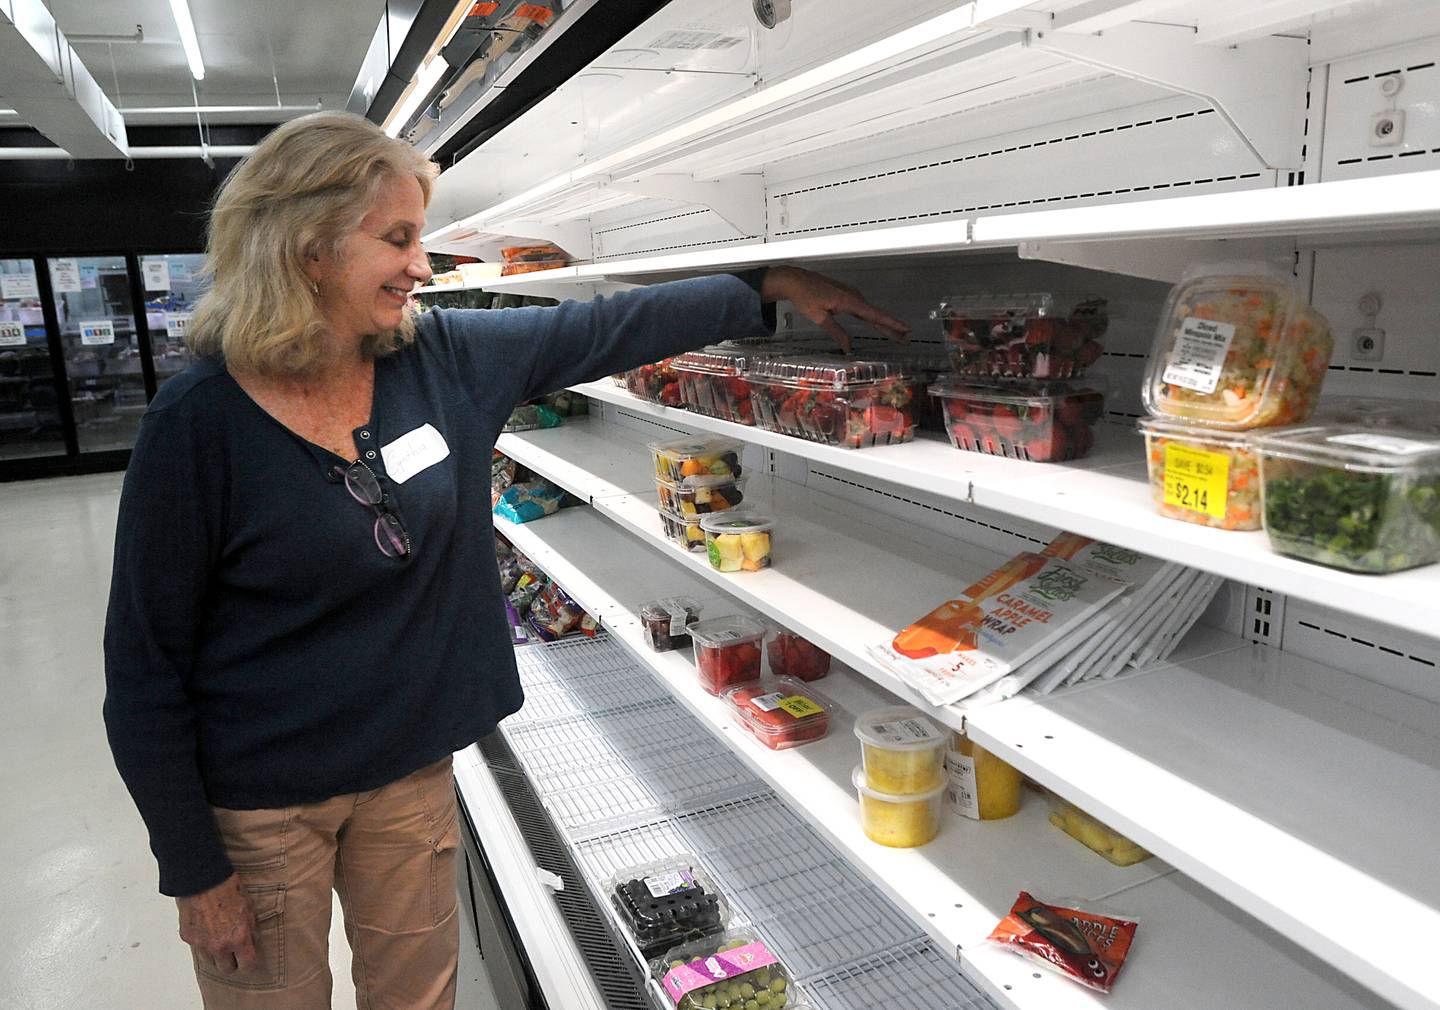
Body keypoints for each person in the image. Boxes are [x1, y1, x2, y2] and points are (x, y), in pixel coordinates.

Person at [102, 110, 908, 1010]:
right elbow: (143, 670)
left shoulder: (439, 358)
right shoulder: (196, 427)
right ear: (307, 247)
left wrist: (765, 285)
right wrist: (192, 870)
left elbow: (605, 329)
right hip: (261, 805)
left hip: (409, 774)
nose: (422, 265)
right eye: (398, 239)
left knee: (417, 997)